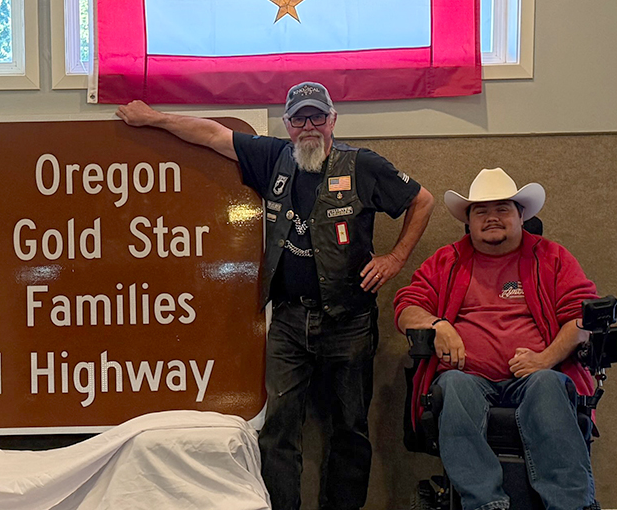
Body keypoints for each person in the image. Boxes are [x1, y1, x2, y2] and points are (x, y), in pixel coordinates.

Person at [116, 82, 434, 510]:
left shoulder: (362, 166)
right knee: (279, 429)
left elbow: (423, 200)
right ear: (286, 125)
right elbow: (211, 134)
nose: (309, 127)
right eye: (299, 118)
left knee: (351, 428)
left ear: (333, 120)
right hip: (287, 321)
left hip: (350, 320)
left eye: (317, 117)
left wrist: (395, 258)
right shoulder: (271, 157)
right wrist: (154, 119)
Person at [394, 168, 599, 510]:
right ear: (469, 221)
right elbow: (406, 307)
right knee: (454, 385)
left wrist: (544, 359)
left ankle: (570, 504)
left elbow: (584, 317)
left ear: (522, 216)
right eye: (481, 211)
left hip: (536, 376)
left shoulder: (552, 257)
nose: (492, 218)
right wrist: (439, 324)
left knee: (548, 383)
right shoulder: (447, 261)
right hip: (469, 378)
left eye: (502, 208)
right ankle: (486, 504)